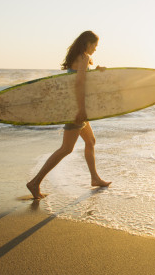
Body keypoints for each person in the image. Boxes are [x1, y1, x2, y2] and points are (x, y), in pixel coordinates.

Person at [26, 31, 111, 199]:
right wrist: (81, 109)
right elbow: (79, 84)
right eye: (95, 45)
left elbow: (79, 78)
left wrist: (96, 71)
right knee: (66, 148)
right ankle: (35, 182)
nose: (95, 49)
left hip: (72, 106)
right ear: (88, 43)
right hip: (75, 108)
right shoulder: (84, 57)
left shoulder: (78, 57)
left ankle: (94, 178)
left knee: (90, 141)